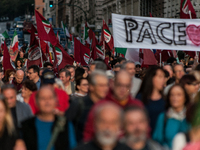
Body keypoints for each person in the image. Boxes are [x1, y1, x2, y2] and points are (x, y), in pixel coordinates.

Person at [83, 70, 143, 142]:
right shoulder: (100, 106)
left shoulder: (137, 106)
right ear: (112, 84)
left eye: (126, 86)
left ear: (131, 86)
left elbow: (144, 133)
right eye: (119, 85)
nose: (123, 89)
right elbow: (89, 135)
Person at [21, 86, 76, 150]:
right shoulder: (26, 126)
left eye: (50, 98)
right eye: (43, 98)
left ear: (55, 100)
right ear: (36, 102)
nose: (47, 101)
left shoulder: (65, 125)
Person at [65, 70, 109, 142]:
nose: (105, 88)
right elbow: (67, 129)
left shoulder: (108, 106)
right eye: (101, 85)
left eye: (106, 85)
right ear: (91, 87)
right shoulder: (78, 104)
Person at [153, 84, 190, 149]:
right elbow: (157, 141)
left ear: (185, 97)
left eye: (179, 95)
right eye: (172, 95)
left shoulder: (190, 117)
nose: (175, 98)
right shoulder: (163, 117)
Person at [136, 66, 166, 134]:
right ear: (151, 78)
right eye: (160, 77)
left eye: (163, 77)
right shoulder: (140, 99)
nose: (163, 80)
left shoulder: (165, 99)